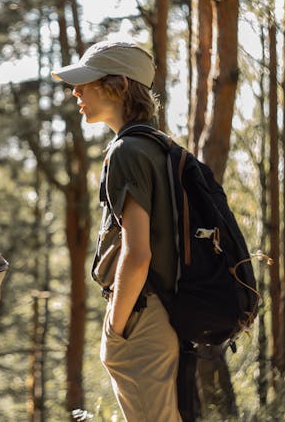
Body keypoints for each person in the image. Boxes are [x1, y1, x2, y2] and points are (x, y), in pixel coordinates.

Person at [52, 40, 181, 422]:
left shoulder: (127, 151)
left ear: (120, 85)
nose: (76, 91)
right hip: (167, 313)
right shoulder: (160, 147)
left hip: (143, 318)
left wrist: (116, 327)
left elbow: (137, 253)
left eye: (86, 82)